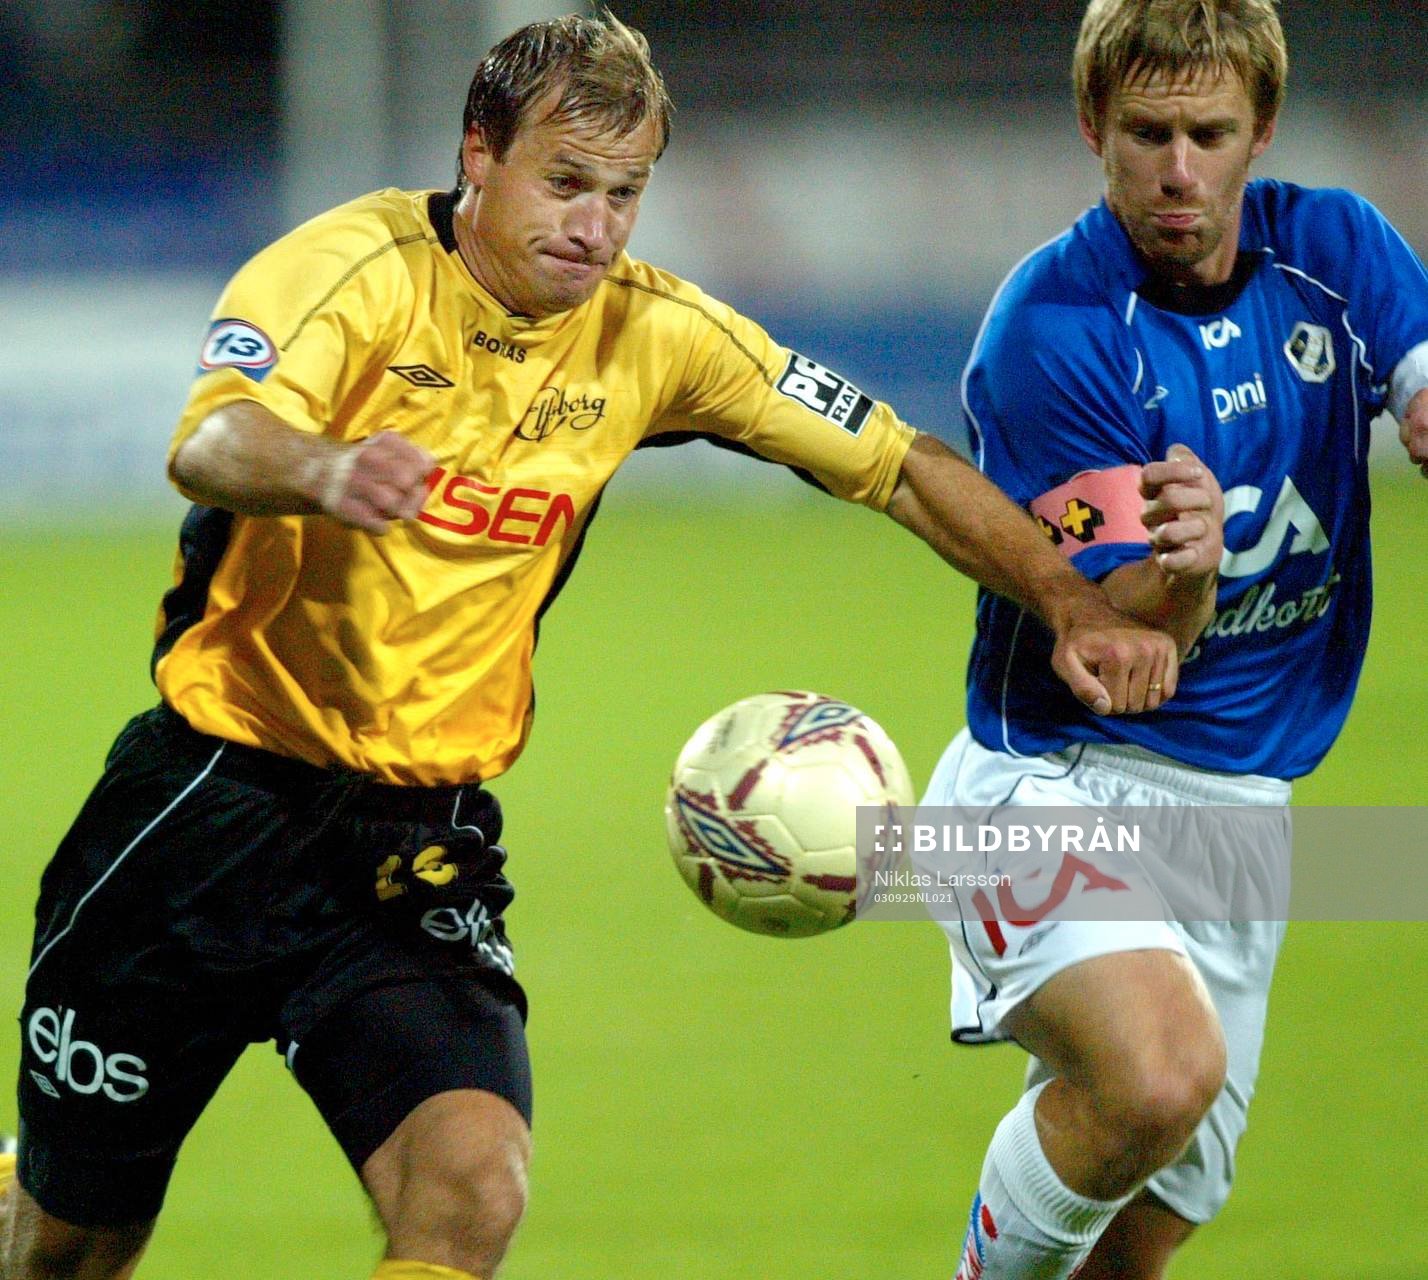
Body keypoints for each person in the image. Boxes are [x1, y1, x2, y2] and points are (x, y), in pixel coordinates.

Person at [0, 11, 1176, 1280]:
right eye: (566, 182)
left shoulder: (654, 335)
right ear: (479, 154)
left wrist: (1071, 603)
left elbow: (896, 461)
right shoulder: (352, 271)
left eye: (624, 194)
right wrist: (326, 469)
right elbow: (211, 439)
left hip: (412, 845)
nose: (595, 225)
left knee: (472, 1185)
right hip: (206, 813)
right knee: (67, 1247)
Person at [921, 1, 1428, 1278]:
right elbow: (1119, 640)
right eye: (1148, 133)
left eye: (1210, 133)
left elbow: (1418, 364)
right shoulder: (1052, 331)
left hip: (1241, 817)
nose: (1180, 171)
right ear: (1094, 126)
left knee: (1140, 1233)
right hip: (1053, 780)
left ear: (1265, 127)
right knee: (1157, 1073)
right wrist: (1187, 574)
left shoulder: (1337, 250)